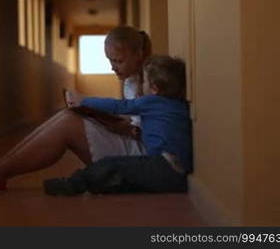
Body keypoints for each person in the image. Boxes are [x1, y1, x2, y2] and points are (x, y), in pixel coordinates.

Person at [0, 26, 153, 191]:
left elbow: (143, 132)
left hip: (140, 160)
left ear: (139, 54)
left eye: (118, 61)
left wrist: (110, 120)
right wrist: (101, 116)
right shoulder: (131, 80)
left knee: (68, 124)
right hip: (131, 144)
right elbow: (131, 120)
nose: (112, 67)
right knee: (67, 115)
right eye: (109, 61)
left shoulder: (151, 82)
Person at [43, 55, 192, 196]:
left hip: (163, 166)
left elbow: (119, 105)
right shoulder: (179, 106)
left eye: (144, 82)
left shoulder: (151, 101)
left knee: (111, 163)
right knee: (124, 171)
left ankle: (72, 184)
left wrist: (84, 101)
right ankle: (98, 184)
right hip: (179, 174)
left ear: (154, 88)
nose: (142, 85)